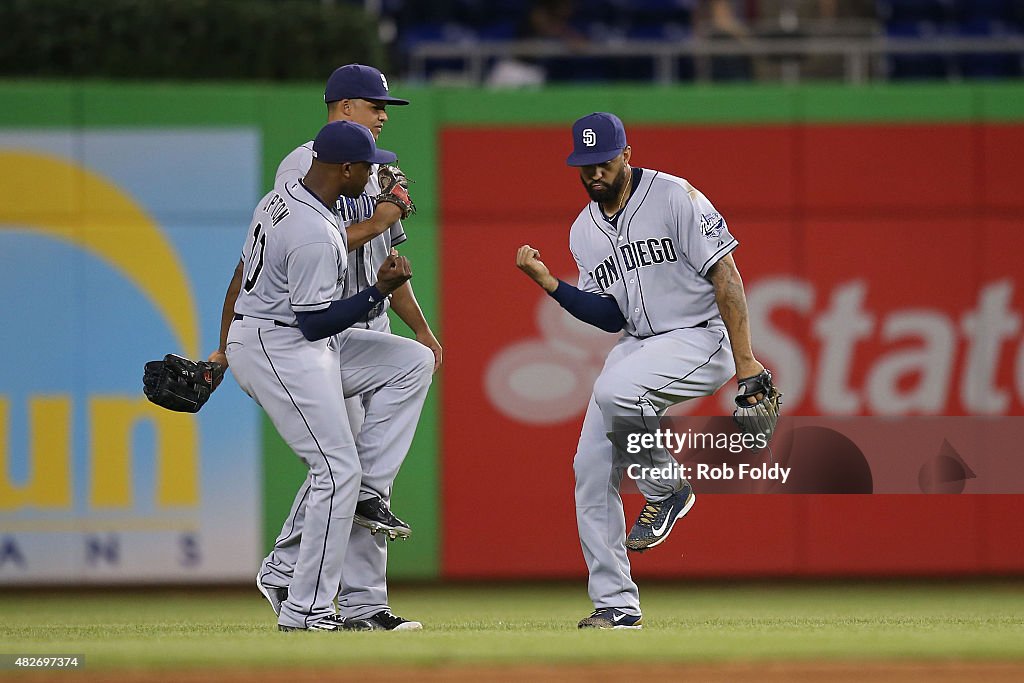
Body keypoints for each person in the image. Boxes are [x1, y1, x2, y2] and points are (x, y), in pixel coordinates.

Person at [515, 112, 770, 630]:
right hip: (638, 344)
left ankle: (665, 486)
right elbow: (609, 314)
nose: (594, 173)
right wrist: (550, 284)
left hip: (701, 335)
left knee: (616, 392)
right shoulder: (583, 230)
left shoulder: (675, 196)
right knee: (589, 471)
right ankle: (616, 603)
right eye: (584, 165)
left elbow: (727, 274)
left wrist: (746, 362)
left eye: (604, 162)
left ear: (627, 154)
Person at [210, 64, 439, 631]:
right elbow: (311, 320)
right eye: (374, 106)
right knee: (335, 467)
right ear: (343, 163)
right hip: (284, 341)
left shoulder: (297, 195)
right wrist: (222, 346)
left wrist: (414, 320)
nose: (384, 117)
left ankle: (357, 570)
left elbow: (359, 256)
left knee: (411, 365)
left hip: (316, 332)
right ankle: (303, 603)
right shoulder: (310, 204)